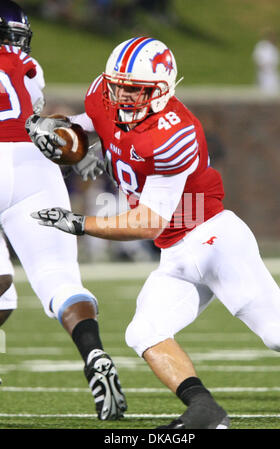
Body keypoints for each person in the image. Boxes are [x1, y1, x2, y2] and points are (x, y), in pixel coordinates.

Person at [27, 36, 280, 430]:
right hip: (174, 251)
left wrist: (81, 223)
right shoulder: (106, 96)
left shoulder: (174, 134)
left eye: (134, 91)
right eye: (117, 87)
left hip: (212, 239)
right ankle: (206, 412)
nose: (121, 98)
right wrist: (63, 131)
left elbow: (147, 221)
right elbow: (93, 123)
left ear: (163, 89)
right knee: (144, 331)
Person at [0, 0, 127, 420]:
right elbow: (33, 116)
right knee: (59, 279)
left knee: (2, 284)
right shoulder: (29, 66)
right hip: (35, 164)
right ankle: (94, 354)